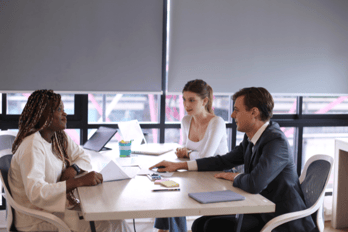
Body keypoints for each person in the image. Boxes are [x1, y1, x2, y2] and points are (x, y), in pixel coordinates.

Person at [150, 87, 318, 232]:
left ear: (254, 112)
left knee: (210, 227)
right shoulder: (251, 138)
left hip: (280, 218)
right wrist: (181, 166)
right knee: (200, 224)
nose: (232, 114)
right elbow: (222, 161)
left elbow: (254, 183)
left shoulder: (276, 141)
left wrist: (234, 176)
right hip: (259, 209)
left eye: (237, 110)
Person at [9, 90, 131, 232]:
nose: (65, 114)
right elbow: (36, 192)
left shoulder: (57, 137)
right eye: (59, 109)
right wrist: (77, 182)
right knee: (110, 225)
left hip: (55, 208)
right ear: (44, 114)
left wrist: (73, 169)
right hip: (39, 218)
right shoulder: (32, 146)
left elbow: (83, 157)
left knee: (115, 219)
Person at [154, 79, 228, 232]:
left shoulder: (217, 122)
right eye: (184, 100)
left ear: (204, 101)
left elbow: (205, 157)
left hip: (218, 179)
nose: (186, 105)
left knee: (175, 197)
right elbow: (186, 152)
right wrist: (187, 153)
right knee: (169, 193)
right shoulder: (186, 120)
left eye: (192, 100)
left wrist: (188, 153)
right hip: (198, 174)